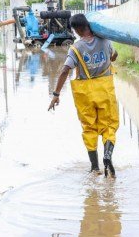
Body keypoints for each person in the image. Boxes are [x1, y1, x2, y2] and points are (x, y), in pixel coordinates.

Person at [48, 14, 119, 178]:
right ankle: (107, 156)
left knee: (89, 128)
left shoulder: (75, 48)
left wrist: (56, 94)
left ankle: (95, 168)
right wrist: (109, 58)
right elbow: (114, 56)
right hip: (105, 90)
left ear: (77, 30)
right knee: (108, 125)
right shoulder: (105, 41)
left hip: (85, 94)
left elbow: (65, 70)